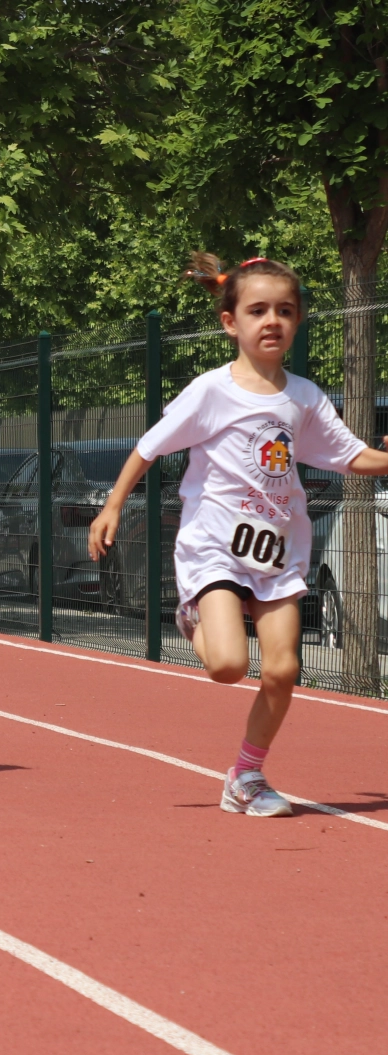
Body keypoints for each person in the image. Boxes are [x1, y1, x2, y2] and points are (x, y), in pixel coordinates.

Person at [90, 253, 388, 817]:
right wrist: (112, 504)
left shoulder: (304, 396)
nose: (271, 320)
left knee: (282, 670)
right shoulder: (211, 391)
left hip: (277, 550)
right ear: (232, 323)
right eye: (257, 310)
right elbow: (149, 445)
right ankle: (195, 615)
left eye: (284, 310)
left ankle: (246, 776)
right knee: (227, 665)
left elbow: (349, 455)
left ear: (298, 321)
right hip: (216, 546)